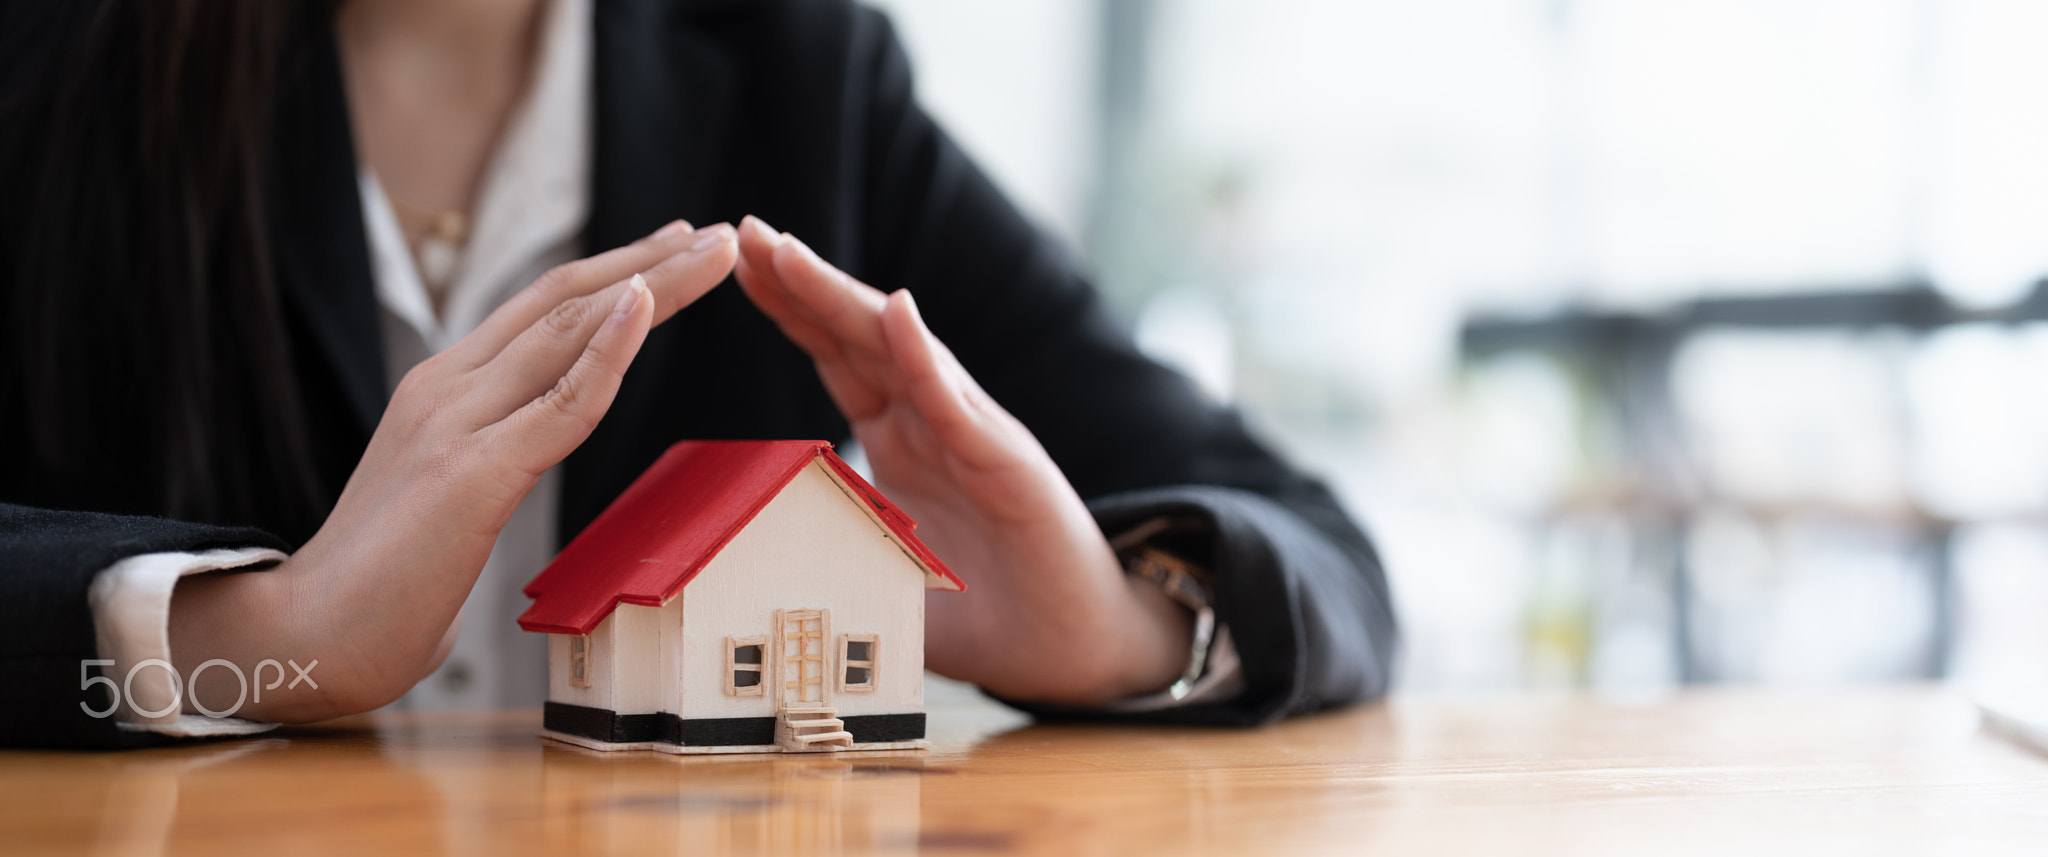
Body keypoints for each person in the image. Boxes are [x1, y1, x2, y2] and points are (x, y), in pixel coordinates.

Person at [0, 0, 1397, 749]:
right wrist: (260, 635)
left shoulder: (805, 71)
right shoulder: (49, 68)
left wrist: (1114, 627)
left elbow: (1322, 552)